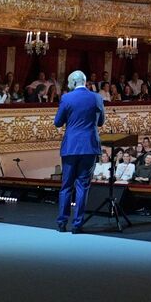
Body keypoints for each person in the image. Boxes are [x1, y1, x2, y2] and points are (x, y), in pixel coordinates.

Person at [54, 70, 105, 233]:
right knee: (83, 185)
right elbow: (101, 122)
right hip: (89, 146)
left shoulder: (67, 98)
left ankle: (62, 222)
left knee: (66, 185)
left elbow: (57, 122)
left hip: (71, 146)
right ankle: (77, 224)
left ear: (73, 82)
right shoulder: (96, 97)